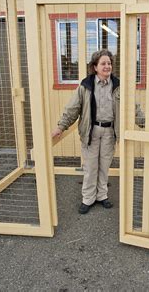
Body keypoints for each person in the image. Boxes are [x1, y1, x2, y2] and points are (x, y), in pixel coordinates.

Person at [51, 49, 119, 215]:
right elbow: (73, 108)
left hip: (109, 131)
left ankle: (102, 195)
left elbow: (133, 107)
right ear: (95, 67)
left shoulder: (118, 85)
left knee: (104, 166)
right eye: (103, 63)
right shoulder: (85, 86)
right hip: (91, 131)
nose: (107, 66)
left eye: (109, 63)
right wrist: (61, 126)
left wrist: (145, 122)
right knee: (90, 167)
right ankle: (88, 198)